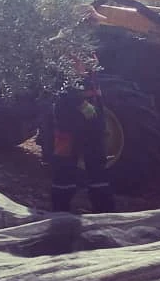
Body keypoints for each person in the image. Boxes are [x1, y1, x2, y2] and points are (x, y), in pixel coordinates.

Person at [47, 47, 116, 213]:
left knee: (97, 164)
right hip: (68, 119)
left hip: (92, 120)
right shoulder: (65, 52)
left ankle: (104, 210)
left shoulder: (88, 53)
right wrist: (80, 103)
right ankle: (60, 211)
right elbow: (60, 86)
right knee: (64, 165)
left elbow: (95, 87)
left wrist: (99, 117)